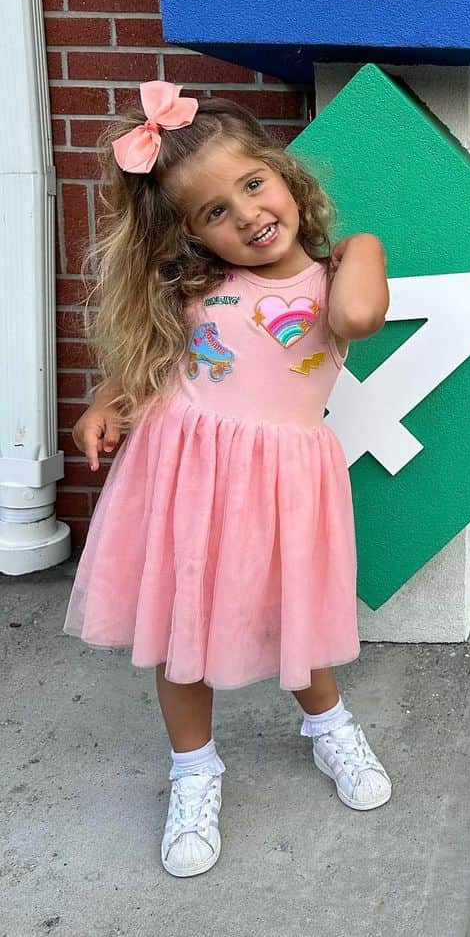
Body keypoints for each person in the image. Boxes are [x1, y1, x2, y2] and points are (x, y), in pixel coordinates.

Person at [63, 80, 392, 878]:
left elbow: (352, 320)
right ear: (193, 235)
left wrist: (365, 245)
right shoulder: (198, 287)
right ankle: (194, 771)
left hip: (280, 483)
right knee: (182, 635)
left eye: (253, 184)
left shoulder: (337, 274)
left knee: (296, 619)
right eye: (213, 211)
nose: (245, 214)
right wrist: (107, 400)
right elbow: (155, 363)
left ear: (286, 176)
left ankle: (330, 728)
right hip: (182, 477)